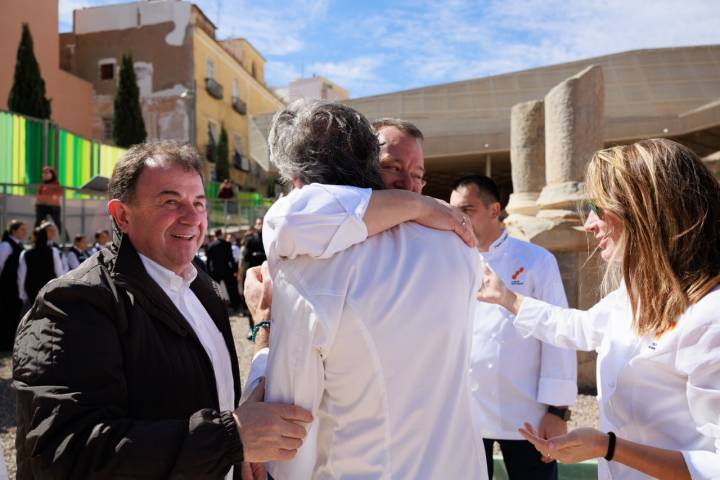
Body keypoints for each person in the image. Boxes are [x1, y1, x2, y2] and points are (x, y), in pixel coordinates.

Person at [13, 141, 313, 479]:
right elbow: (64, 455)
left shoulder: (202, 288)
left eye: (199, 203)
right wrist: (232, 437)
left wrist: (239, 450)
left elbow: (212, 399)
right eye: (170, 201)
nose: (192, 217)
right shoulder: (74, 303)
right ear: (122, 215)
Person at [255, 101, 487, 479]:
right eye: (393, 168)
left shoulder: (311, 265)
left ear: (298, 184)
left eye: (417, 177)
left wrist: (262, 328)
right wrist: (421, 206)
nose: (409, 185)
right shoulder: (456, 244)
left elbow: (290, 425)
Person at [478, 139, 720, 480]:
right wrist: (508, 298)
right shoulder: (635, 295)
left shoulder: (712, 317)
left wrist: (609, 447)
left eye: (599, 207)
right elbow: (579, 327)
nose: (589, 224)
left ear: (646, 211)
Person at [449, 175, 576, 479]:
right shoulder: (448, 260)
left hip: (526, 412)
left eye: (467, 210)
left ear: (494, 210)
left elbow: (557, 334)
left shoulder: (536, 260)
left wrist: (557, 411)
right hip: (465, 411)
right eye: (453, 211)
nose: (458, 219)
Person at [17, 223, 65, 308]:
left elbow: (21, 276)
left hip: (32, 291)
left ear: (34, 237)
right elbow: (59, 272)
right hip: (50, 289)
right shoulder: (53, 251)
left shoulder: (25, 253)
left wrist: (22, 294)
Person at [0, 220, 26, 350]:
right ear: (13, 230)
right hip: (7, 287)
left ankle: (11, 341)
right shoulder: (6, 245)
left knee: (14, 314)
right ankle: (5, 343)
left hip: (15, 286)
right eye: (21, 229)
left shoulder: (18, 244)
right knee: (7, 314)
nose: (24, 232)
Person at [206, 228, 242, 311]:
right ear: (221, 234)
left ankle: (216, 306)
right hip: (226, 270)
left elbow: (208, 261)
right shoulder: (227, 244)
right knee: (231, 289)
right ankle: (235, 305)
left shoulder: (210, 245)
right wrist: (235, 270)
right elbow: (231, 259)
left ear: (215, 235)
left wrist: (208, 271)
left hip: (215, 271)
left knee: (215, 290)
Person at [35, 166, 63, 235]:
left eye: (47, 173)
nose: (45, 175)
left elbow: (60, 193)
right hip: (42, 206)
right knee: (39, 222)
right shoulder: (42, 185)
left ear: (51, 174)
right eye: (43, 173)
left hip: (54, 207)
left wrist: (54, 197)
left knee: (58, 222)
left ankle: (65, 239)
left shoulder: (56, 184)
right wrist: (38, 202)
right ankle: (35, 237)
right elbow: (39, 195)